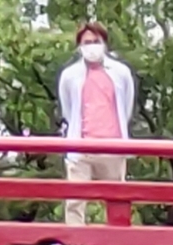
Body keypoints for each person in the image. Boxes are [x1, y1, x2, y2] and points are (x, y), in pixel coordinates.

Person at [56, 21, 135, 226]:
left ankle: (117, 240)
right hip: (80, 146)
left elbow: (126, 106)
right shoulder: (69, 76)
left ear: (105, 43)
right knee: (75, 201)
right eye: (87, 42)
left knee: (117, 200)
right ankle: (75, 240)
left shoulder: (121, 72)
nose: (91, 46)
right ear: (79, 46)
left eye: (96, 41)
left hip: (113, 147)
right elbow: (68, 109)